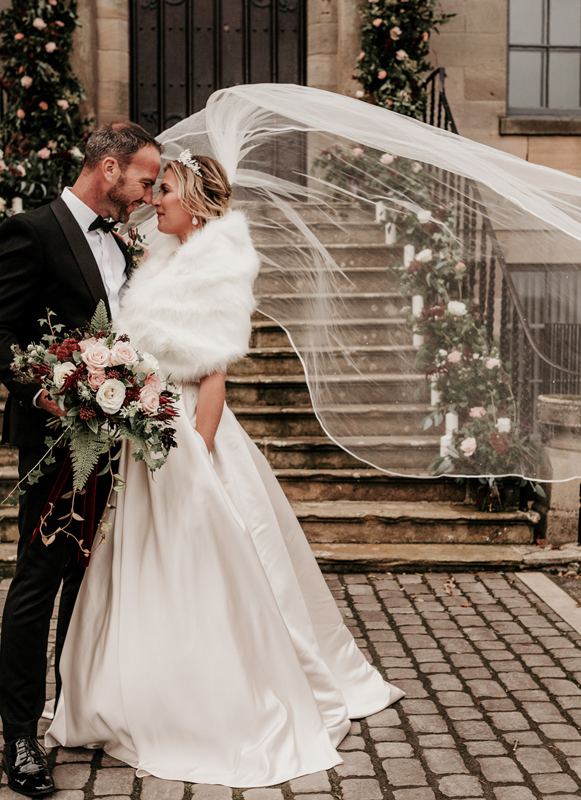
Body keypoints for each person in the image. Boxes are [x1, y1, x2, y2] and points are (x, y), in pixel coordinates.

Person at [44, 152, 405, 786]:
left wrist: (200, 453)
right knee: (143, 560)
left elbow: (214, 375)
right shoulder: (159, 256)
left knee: (206, 554)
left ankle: (215, 690)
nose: (154, 200)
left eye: (165, 190)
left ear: (194, 203)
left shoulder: (218, 265)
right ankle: (136, 688)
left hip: (188, 428)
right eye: (154, 189)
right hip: (147, 422)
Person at [0, 121, 161, 797]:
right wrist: (45, 390)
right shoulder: (31, 231)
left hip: (115, 441)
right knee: (40, 580)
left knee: (91, 579)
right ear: (109, 169)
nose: (149, 195)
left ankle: (75, 710)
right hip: (56, 440)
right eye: (144, 180)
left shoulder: (125, 242)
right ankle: (20, 736)